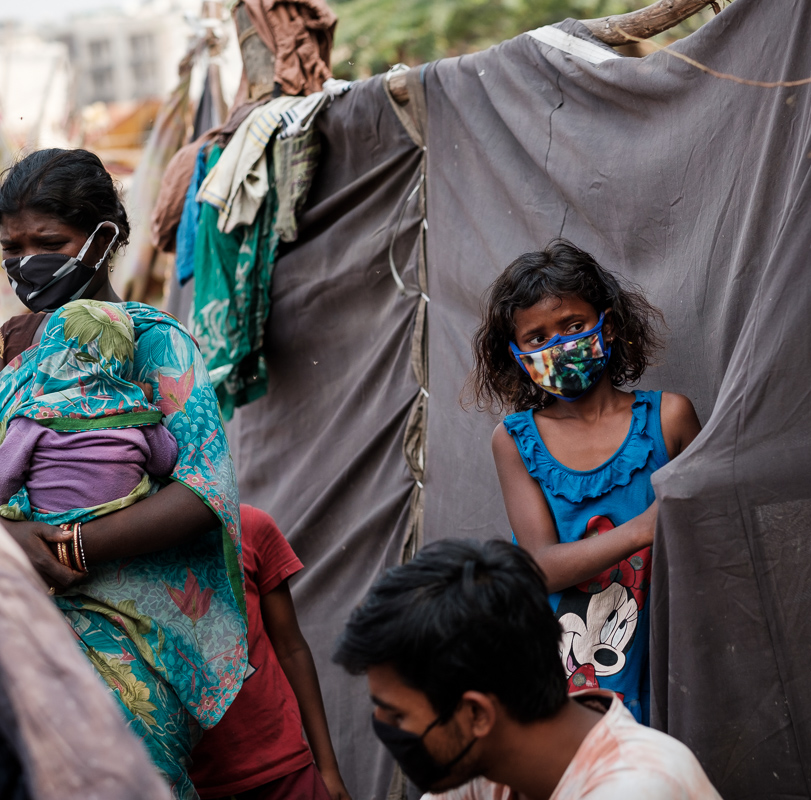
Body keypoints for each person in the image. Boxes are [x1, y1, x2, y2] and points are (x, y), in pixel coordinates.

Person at [0, 148, 247, 800]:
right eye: (10, 247)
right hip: (17, 611)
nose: (26, 262)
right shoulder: (8, 345)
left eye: (48, 242)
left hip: (125, 629)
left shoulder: (152, 343)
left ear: (104, 237)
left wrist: (68, 547)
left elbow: (202, 488)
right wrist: (11, 545)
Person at [468, 239, 701, 723]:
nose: (559, 345)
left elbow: (713, 537)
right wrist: (643, 529)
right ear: (516, 354)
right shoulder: (515, 441)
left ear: (608, 326)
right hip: (569, 668)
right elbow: (541, 566)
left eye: (574, 326)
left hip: (673, 649)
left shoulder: (669, 419)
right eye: (537, 338)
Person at [334, 538, 723, 800]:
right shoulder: (488, 764)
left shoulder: (637, 789)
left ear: (476, 714)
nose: (382, 724)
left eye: (398, 715)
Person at [189, 505, 350, 800]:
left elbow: (290, 648)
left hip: (281, 764)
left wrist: (328, 768)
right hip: (191, 779)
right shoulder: (122, 544)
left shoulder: (248, 525)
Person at [0, 300, 179, 520]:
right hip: (119, 528)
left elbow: (3, 480)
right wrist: (147, 405)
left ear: (48, 356)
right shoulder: (138, 415)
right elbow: (165, 463)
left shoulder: (32, 418)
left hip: (48, 524)